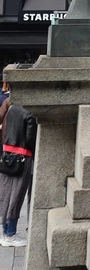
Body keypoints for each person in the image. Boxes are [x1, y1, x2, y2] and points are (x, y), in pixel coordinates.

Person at [0, 92, 36, 247]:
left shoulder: (11, 106)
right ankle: (10, 234)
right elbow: (30, 139)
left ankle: (5, 232)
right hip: (22, 158)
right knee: (17, 195)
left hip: (7, 154)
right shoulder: (29, 112)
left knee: (6, 194)